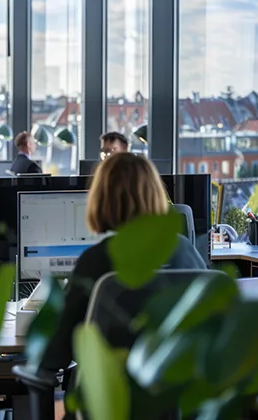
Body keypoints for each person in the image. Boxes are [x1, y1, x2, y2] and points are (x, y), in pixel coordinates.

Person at [38, 153, 207, 372]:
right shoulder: (185, 251)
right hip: (178, 397)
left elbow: (58, 353)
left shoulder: (97, 260)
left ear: (102, 198)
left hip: (110, 400)